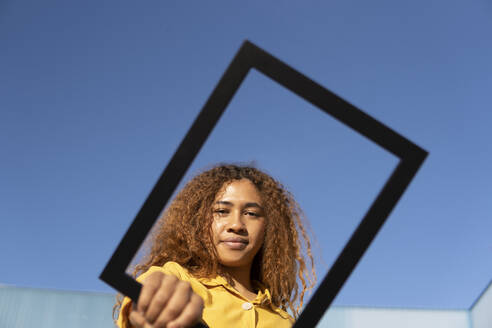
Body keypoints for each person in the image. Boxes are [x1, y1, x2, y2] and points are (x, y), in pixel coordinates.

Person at [114, 164, 316, 328]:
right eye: (221, 211)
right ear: (197, 221)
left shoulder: (284, 321)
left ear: (269, 229)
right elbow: (148, 296)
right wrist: (153, 305)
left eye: (251, 214)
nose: (236, 225)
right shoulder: (176, 278)